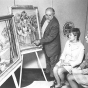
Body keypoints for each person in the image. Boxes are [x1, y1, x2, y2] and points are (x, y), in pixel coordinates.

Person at [34, 7, 61, 79]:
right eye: (46, 15)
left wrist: (39, 41)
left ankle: (52, 78)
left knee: (53, 63)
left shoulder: (55, 24)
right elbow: (40, 27)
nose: (47, 17)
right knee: (47, 61)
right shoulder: (44, 18)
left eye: (50, 15)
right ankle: (47, 73)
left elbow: (51, 37)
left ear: (53, 14)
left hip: (53, 47)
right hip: (46, 45)